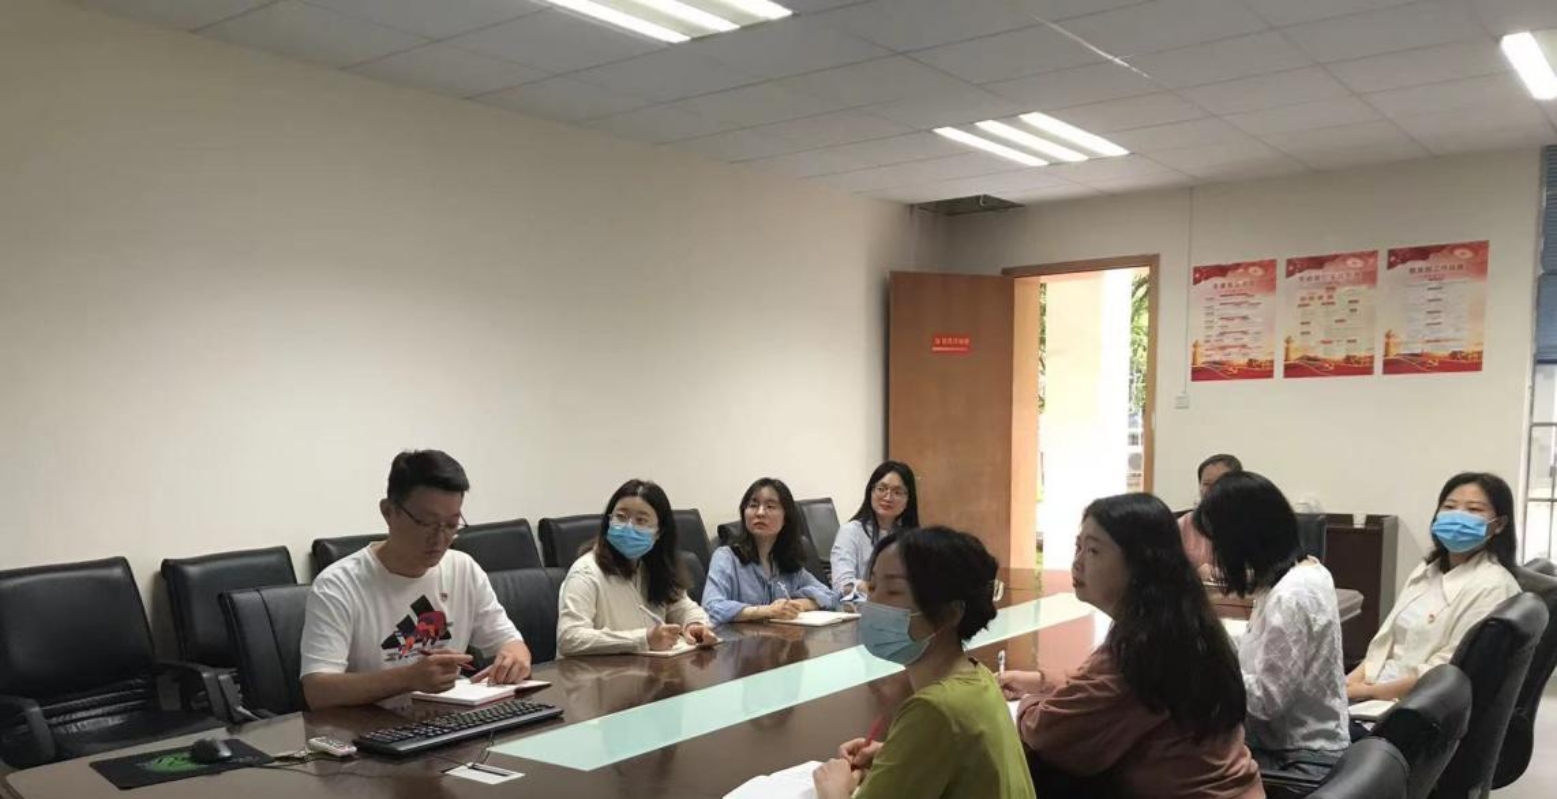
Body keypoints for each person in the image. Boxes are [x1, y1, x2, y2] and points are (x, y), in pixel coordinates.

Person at [1002, 494, 1262, 799]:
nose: (1077, 562)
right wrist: (1041, 681)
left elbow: (1046, 731)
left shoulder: (1144, 648)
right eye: (1078, 547)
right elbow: (1104, 687)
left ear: (1140, 562)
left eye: (1094, 550)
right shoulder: (1181, 622)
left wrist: (1025, 703)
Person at [812, 527, 1035, 799]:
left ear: (950, 613)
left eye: (893, 591)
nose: (873, 603)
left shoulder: (934, 710)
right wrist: (898, 755)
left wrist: (833, 789)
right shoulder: (979, 677)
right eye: (872, 587)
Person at [300, 450, 532, 709]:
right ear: (389, 512)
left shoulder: (463, 568)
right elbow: (318, 691)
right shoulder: (338, 585)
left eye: (451, 524)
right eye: (426, 523)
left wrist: (514, 658)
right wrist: (408, 678)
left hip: (451, 718)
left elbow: (511, 643)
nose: (439, 538)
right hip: (370, 727)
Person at [1196, 472, 1349, 777]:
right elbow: (1265, 650)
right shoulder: (1308, 571)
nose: (1216, 553)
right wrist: (1213, 640)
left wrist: (1209, 668)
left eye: (1219, 542)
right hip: (1303, 743)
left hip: (1296, 758)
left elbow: (1267, 701)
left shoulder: (1290, 595)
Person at [1347, 472, 1521, 702]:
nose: (1458, 516)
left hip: (1413, 704)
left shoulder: (1493, 587)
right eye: (1449, 506)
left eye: (1474, 509)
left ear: (1499, 524)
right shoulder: (1428, 569)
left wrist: (1364, 693)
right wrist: (1347, 684)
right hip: (1375, 689)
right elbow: (1384, 644)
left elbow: (1447, 674)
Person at [556, 479, 720, 656]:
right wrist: (643, 639)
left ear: (659, 531)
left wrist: (694, 624)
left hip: (646, 668)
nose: (629, 527)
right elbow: (569, 638)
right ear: (608, 521)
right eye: (621, 516)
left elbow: (682, 607)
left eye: (641, 520)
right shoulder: (585, 571)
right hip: (593, 671)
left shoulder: (654, 566)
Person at [703, 477, 840, 624]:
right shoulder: (727, 557)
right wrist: (766, 611)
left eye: (770, 506)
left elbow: (831, 597)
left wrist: (798, 605)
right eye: (753, 505)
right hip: (739, 638)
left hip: (781, 637)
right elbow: (711, 607)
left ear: (786, 517)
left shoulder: (786, 562)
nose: (760, 513)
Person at [830, 461, 920, 598]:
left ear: (908, 499)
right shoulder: (851, 532)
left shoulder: (911, 537)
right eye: (882, 489)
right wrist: (881, 590)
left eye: (897, 492)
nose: (888, 497)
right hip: (862, 608)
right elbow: (842, 585)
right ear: (870, 492)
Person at [1182, 454, 1242, 579]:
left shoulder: (1252, 522)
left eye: (1220, 483)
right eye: (1207, 484)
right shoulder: (1183, 525)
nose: (1213, 490)